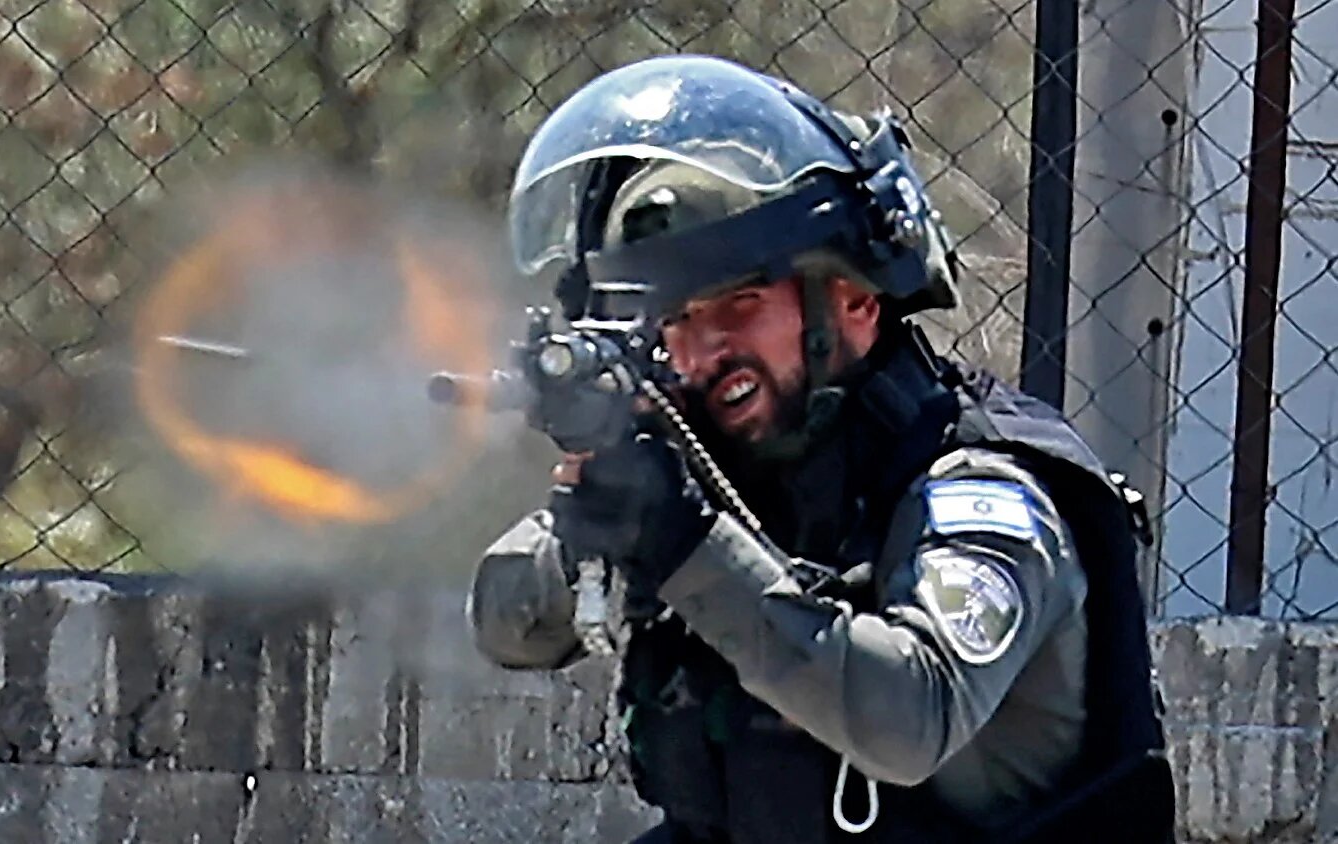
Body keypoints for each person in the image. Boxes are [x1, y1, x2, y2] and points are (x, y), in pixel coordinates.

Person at [464, 54, 1175, 843]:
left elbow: (909, 720)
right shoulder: (725, 462)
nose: (703, 350)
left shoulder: (982, 489)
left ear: (854, 299)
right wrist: (599, 515)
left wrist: (687, 545)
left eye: (737, 304)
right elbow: (508, 625)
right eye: (676, 319)